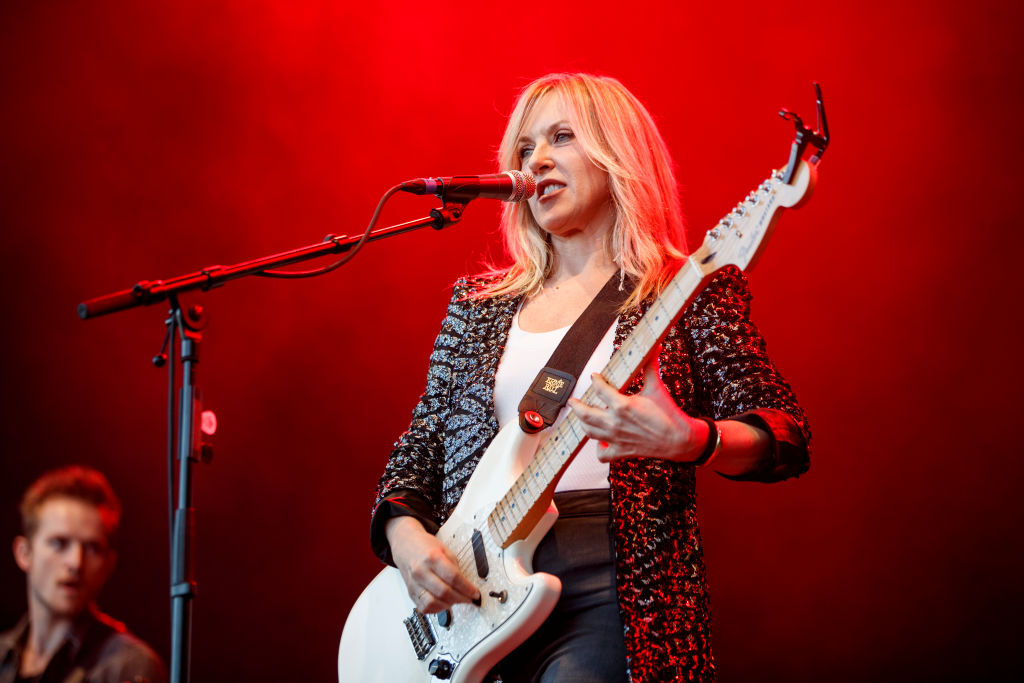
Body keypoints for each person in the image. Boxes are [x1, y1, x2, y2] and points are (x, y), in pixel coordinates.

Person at [369, 73, 810, 682]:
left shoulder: (682, 293)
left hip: (616, 579)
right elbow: (418, 451)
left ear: (617, 156)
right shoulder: (476, 306)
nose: (536, 160)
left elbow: (783, 435)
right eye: (524, 148)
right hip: (471, 594)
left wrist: (692, 439)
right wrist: (405, 539)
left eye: (562, 137)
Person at [0, 466, 166, 683]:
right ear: (24, 553)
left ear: (109, 563)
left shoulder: (127, 667)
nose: (76, 563)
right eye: (59, 543)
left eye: (92, 548)